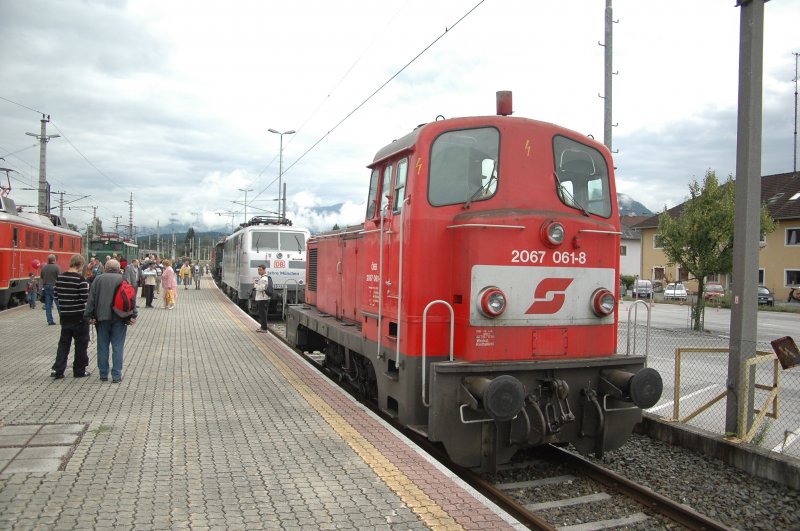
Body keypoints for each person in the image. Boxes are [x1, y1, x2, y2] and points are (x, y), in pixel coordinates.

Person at [84, 259, 137, 383]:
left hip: (101, 318)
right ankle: (116, 375)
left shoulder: (98, 280)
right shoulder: (123, 279)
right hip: (120, 317)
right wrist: (133, 315)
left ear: (106, 268)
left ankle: (103, 374)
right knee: (118, 346)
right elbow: (131, 298)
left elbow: (91, 299)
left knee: (102, 346)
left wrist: (88, 316)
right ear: (118, 269)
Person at [51, 254, 91, 379]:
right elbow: (85, 298)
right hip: (79, 317)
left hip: (65, 316)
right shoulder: (80, 279)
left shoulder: (60, 278)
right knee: (81, 345)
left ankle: (59, 370)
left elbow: (56, 296)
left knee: (63, 344)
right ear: (80, 264)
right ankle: (79, 371)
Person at [40, 254, 61, 325]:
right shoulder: (57, 267)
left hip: (46, 287)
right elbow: (59, 278)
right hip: (54, 287)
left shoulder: (44, 267)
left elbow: (41, 277)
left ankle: (50, 321)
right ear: (54, 260)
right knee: (58, 304)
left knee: (48, 305)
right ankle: (62, 319)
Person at [254, 265, 270, 333]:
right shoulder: (262, 278)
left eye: (260, 270)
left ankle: (264, 328)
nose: (259, 271)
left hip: (263, 299)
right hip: (261, 298)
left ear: (264, 270)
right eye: (258, 270)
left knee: (263, 314)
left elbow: (262, 288)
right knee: (262, 314)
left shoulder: (264, 279)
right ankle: (262, 327)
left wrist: (256, 286)